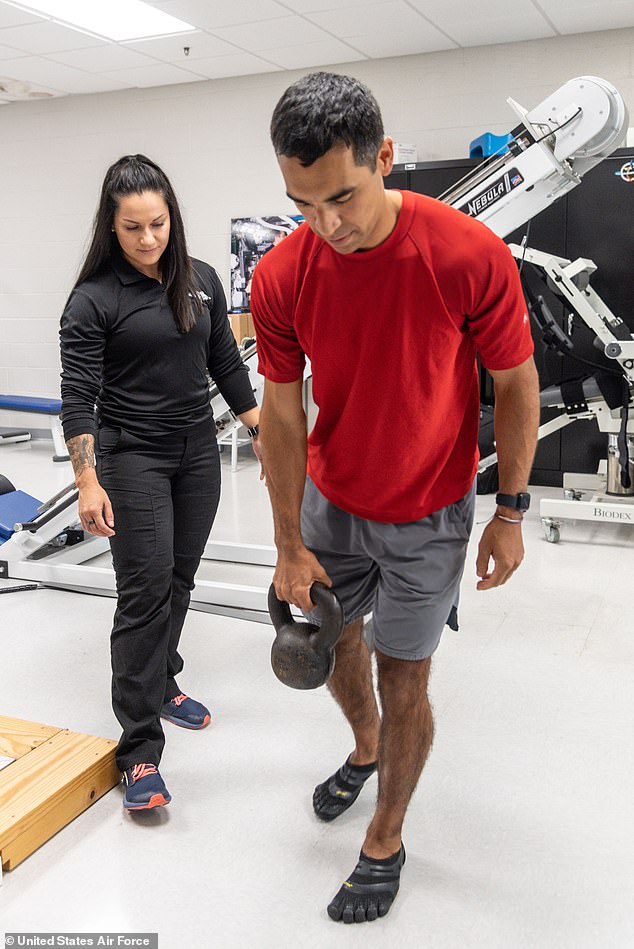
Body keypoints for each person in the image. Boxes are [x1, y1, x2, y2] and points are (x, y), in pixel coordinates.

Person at [250, 72, 540, 923]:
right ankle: (365, 744)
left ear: (385, 156)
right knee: (334, 643)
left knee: (404, 674)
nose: (326, 224)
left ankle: (386, 833)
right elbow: (279, 410)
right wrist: (286, 543)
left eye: (340, 195)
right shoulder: (282, 273)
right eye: (303, 204)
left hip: (429, 513)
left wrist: (511, 510)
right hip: (329, 505)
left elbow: (517, 384)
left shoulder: (463, 253)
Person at [60, 155, 261, 811]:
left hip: (196, 452)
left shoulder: (199, 278)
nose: (148, 239)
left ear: (171, 216)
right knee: (144, 592)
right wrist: (87, 480)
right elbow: (78, 396)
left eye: (157, 223)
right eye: (132, 228)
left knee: (179, 578)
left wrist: (264, 432)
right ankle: (139, 751)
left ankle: (164, 678)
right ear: (110, 228)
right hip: (131, 456)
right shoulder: (93, 299)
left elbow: (225, 364)